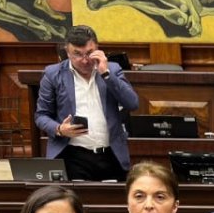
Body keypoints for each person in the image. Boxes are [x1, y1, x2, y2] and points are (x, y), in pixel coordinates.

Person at [35, 24, 140, 181]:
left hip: (111, 155)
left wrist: (106, 74)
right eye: (77, 54)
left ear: (97, 49)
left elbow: (132, 103)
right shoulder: (53, 74)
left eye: (89, 53)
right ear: (67, 52)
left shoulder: (112, 69)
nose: (84, 60)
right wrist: (59, 129)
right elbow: (41, 116)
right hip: (72, 156)